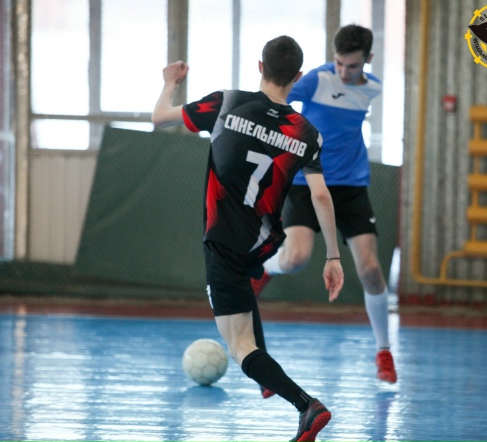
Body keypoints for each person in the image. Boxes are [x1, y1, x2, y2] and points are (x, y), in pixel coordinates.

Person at [152, 35, 344, 441]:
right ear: (298, 76)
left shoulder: (227, 103)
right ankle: (266, 374)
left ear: (260, 66)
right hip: (262, 241)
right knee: (245, 300)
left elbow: (160, 118)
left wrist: (170, 82)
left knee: (240, 348)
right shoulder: (306, 133)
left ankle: (306, 405)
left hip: (223, 241)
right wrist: (333, 257)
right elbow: (321, 196)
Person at [253, 25, 397, 384]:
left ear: (368, 59)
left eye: (353, 66)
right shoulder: (317, 80)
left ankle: (383, 351)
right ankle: (264, 268)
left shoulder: (373, 88)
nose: (344, 72)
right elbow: (275, 93)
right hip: (306, 182)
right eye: (339, 63)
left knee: (370, 269)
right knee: (295, 258)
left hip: (350, 186)